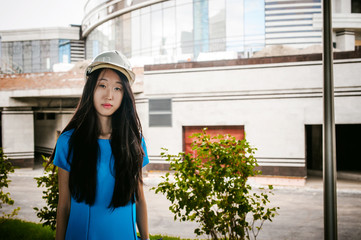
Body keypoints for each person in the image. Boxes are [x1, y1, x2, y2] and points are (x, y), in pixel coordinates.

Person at [51, 50, 150, 240]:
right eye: (102, 85)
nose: (109, 95)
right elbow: (64, 205)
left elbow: (139, 198)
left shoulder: (135, 141)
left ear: (124, 95)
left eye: (117, 88)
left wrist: (146, 238)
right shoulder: (68, 142)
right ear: (91, 89)